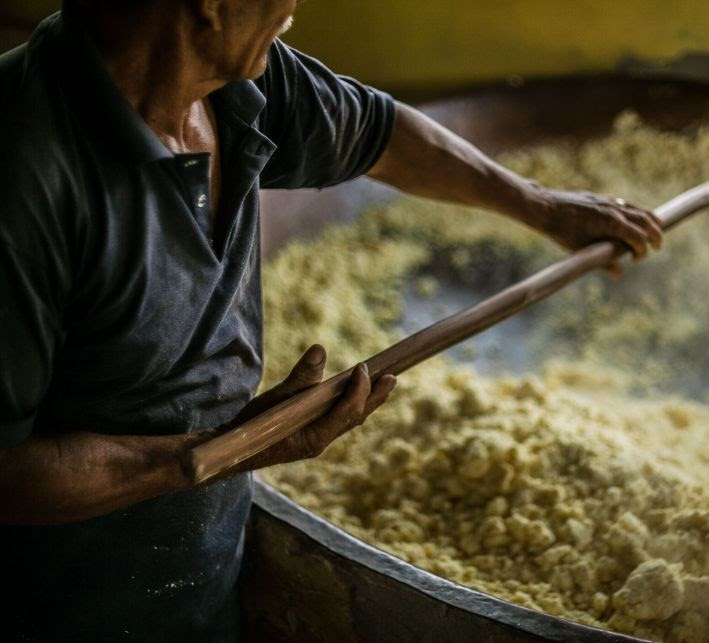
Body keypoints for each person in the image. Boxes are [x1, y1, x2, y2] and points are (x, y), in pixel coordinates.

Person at [0, 0, 662, 640]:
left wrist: (542, 207)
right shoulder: (26, 175)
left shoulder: (233, 84)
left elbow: (380, 134)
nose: (294, 7)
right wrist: (212, 453)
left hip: (194, 586)